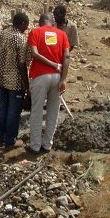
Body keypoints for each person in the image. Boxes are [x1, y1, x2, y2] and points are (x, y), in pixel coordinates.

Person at [26, 12, 70, 154]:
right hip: (57, 77)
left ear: (40, 23)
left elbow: (34, 53)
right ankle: (47, 145)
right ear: (53, 22)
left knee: (37, 112)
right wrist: (63, 79)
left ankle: (35, 146)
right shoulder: (62, 34)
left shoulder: (35, 32)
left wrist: (51, 64)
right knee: (53, 112)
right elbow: (67, 56)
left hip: (40, 77)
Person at [0, 12, 30, 148]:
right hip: (14, 81)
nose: (27, 29)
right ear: (22, 24)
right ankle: (10, 140)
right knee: (13, 112)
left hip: (0, 77)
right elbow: (22, 64)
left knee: (3, 108)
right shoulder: (20, 38)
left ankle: (1, 137)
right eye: (26, 26)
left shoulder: (4, 33)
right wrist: (26, 85)